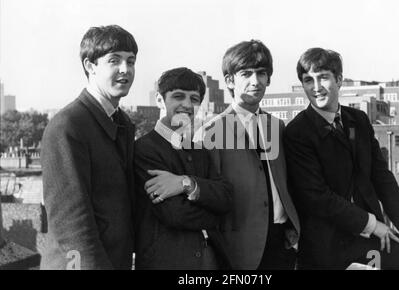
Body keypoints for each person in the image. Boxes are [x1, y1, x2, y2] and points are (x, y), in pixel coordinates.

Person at [284, 47, 399, 270]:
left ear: (339, 79)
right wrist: (373, 225)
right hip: (328, 248)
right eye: (307, 80)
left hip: (370, 240)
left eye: (323, 77)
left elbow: (382, 178)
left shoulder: (358, 120)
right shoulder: (297, 132)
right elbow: (317, 197)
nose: (316, 87)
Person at [196, 40, 300, 270]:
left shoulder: (276, 126)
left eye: (261, 73)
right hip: (238, 250)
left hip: (283, 244)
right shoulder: (211, 132)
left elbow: (283, 183)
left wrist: (293, 227)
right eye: (246, 73)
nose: (256, 81)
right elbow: (208, 197)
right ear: (230, 80)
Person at [41, 25, 137, 270]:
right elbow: (70, 225)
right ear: (90, 66)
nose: (125, 69)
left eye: (131, 61)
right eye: (114, 60)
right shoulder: (67, 126)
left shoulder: (122, 122)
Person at [134, 67, 233, 270]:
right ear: (160, 100)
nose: (187, 105)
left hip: (211, 259)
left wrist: (186, 183)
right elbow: (175, 214)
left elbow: (226, 197)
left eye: (194, 99)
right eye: (178, 96)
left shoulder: (199, 151)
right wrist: (216, 216)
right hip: (169, 261)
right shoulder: (144, 150)